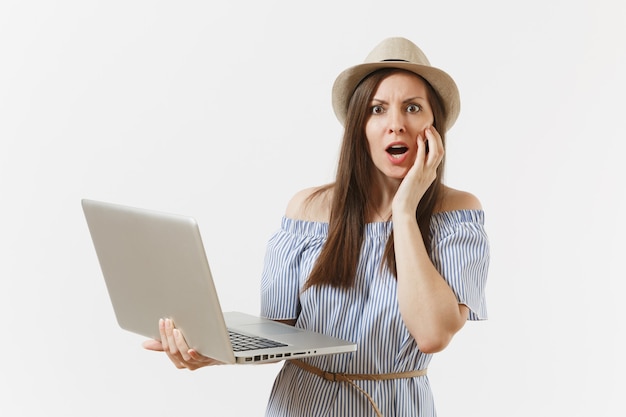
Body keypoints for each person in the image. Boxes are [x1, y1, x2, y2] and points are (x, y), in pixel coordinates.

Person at [143, 37, 490, 417]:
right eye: (377, 109)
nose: (395, 125)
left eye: (412, 108)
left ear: (433, 128)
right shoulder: (307, 210)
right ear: (359, 127)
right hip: (301, 405)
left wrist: (405, 210)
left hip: (390, 406)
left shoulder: (456, 215)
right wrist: (210, 351)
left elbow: (432, 334)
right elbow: (277, 335)